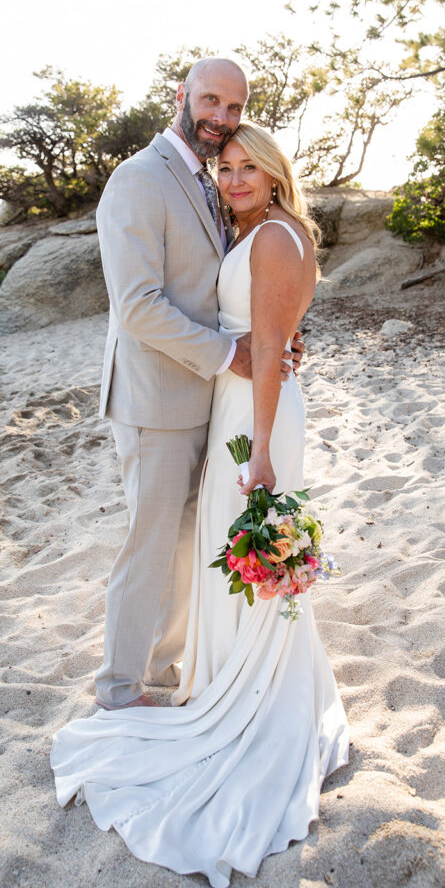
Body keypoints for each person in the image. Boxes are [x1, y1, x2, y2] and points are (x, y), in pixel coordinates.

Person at [52, 122, 349, 888]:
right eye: (226, 167)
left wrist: (259, 451)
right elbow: (267, 332)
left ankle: (256, 693)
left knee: (238, 549)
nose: (236, 178)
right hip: (233, 402)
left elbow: (273, 352)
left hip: (253, 417)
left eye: (251, 167)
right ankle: (223, 681)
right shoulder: (255, 232)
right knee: (225, 555)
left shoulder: (277, 239)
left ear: (277, 172)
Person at [92, 57, 300, 710]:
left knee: (186, 547)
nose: (221, 118)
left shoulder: (210, 181)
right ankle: (119, 688)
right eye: (211, 101)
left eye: (234, 108)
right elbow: (138, 305)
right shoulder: (138, 180)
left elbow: (228, 287)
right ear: (180, 96)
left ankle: (160, 669)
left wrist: (271, 337)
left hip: (208, 397)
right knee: (150, 546)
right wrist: (228, 354)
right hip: (155, 400)